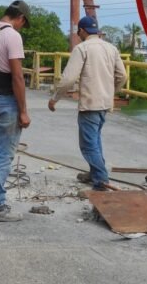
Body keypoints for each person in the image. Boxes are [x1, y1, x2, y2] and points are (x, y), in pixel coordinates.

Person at [47, 16, 127, 191]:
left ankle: (101, 180)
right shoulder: (111, 48)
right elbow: (123, 76)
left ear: (82, 31)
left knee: (88, 145)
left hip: (90, 103)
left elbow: (68, 79)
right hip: (105, 103)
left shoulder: (82, 48)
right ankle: (94, 174)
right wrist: (110, 92)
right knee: (95, 140)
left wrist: (55, 98)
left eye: (78, 32)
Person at [0, 0, 31, 222]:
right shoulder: (12, 36)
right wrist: (23, 110)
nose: (21, 27)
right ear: (20, 18)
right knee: (3, 155)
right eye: (23, 23)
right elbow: (17, 76)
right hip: (6, 98)